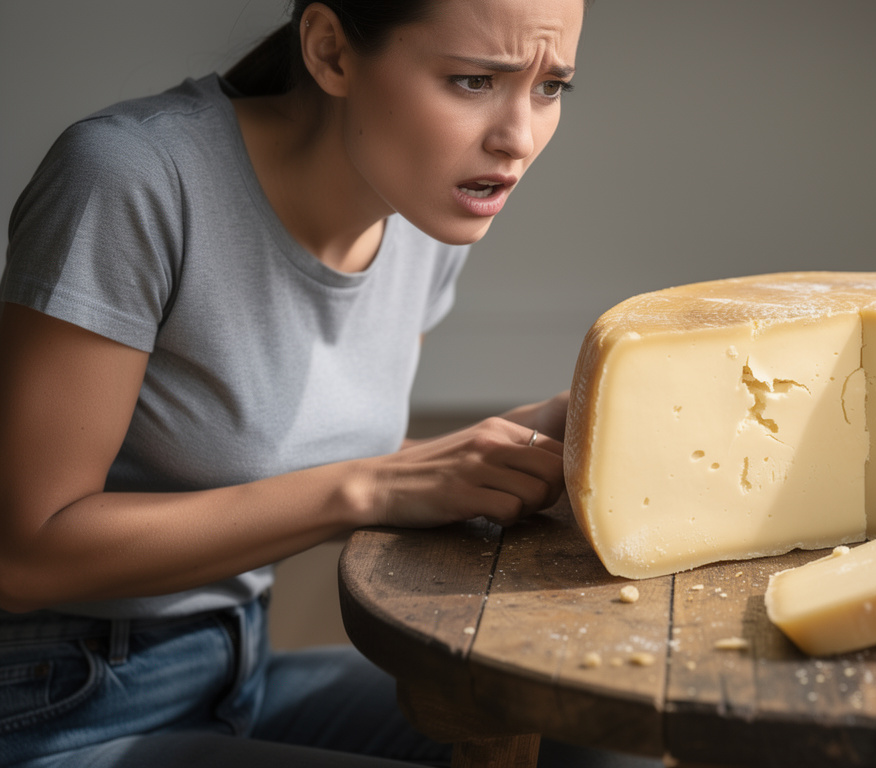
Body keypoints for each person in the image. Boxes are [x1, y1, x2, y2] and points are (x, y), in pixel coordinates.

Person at [0, 1, 654, 765]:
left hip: (239, 668)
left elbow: (319, 451)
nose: (517, 139)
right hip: (55, 701)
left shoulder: (427, 204)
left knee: (602, 743)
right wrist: (370, 489)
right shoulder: (133, 180)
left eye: (551, 88)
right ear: (330, 51)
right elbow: (25, 555)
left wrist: (548, 433)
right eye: (475, 80)